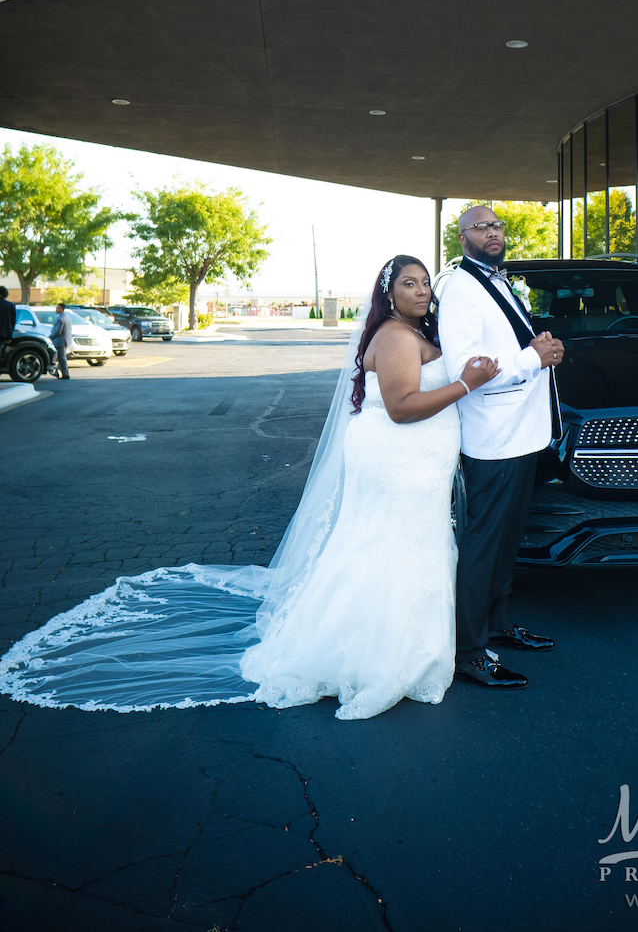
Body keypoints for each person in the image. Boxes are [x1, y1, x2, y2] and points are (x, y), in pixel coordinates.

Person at [0, 255, 498, 721]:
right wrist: (468, 384)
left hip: (416, 465)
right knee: (390, 546)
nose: (421, 290)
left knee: (406, 544)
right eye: (408, 283)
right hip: (397, 459)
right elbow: (402, 406)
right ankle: (373, 654)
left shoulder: (413, 331)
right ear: (387, 295)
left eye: (426, 282)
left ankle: (408, 645)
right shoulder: (395, 336)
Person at [438, 206, 565, 690]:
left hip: (524, 432)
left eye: (497, 226)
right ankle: (468, 652)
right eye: (482, 227)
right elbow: (468, 368)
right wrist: (534, 358)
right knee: (483, 546)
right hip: (492, 436)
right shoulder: (460, 288)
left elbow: (509, 342)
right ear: (463, 236)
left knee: (507, 542)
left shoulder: (498, 280)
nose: (493, 233)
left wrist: (542, 348)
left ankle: (498, 625)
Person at [48, 301, 74, 379]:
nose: (56, 310)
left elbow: (57, 331)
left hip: (60, 341)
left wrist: (50, 337)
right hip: (65, 340)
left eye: (58, 308)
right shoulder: (67, 316)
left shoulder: (60, 319)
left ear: (62, 309)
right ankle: (59, 372)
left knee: (61, 357)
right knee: (61, 357)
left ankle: (65, 374)